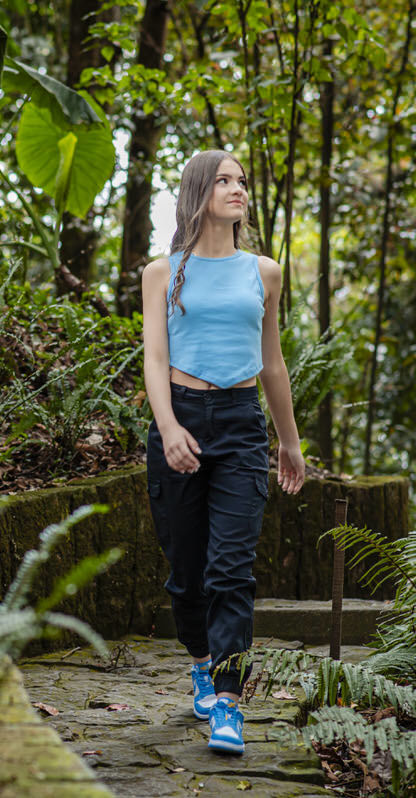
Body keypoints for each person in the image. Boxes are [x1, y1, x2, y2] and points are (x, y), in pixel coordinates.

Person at [141, 149, 305, 755]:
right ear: (198, 193)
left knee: (231, 569)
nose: (238, 189)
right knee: (186, 578)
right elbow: (155, 359)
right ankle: (203, 662)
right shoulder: (164, 272)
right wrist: (171, 427)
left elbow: (272, 361)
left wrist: (288, 441)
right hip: (178, 420)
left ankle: (229, 702)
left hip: (240, 426)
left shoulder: (263, 271)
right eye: (224, 181)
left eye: (241, 181)